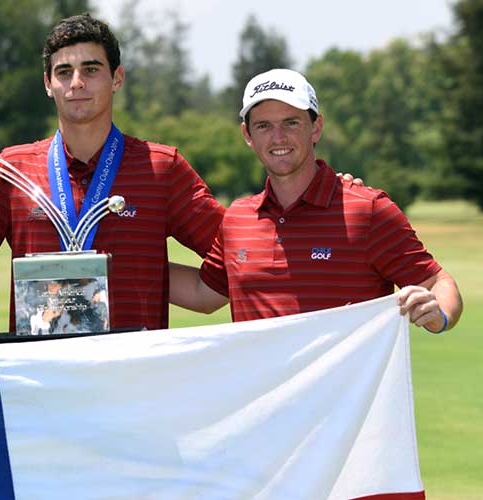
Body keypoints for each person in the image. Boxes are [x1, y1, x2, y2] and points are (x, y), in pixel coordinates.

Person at [0, 14, 226, 333]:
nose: (77, 82)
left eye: (91, 70)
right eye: (64, 72)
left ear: (117, 78)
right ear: (47, 84)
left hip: (132, 375)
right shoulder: (13, 169)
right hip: (41, 376)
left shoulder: (161, 168)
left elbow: (237, 252)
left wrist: (146, 275)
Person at [169, 68, 463, 333]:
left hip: (344, 394)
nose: (278, 137)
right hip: (265, 394)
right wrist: (123, 263)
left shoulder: (367, 210)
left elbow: (438, 282)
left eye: (291, 123)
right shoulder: (238, 218)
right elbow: (202, 293)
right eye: (263, 126)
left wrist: (440, 315)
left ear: (316, 127)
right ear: (247, 134)